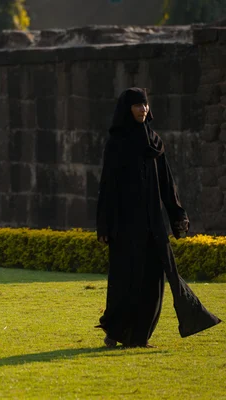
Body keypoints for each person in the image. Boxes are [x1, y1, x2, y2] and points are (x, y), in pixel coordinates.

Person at [96, 87, 221, 347]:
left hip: (152, 222)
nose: (143, 109)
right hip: (125, 225)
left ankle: (139, 337)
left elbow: (167, 182)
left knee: (155, 279)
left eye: (145, 105)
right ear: (127, 109)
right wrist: (106, 225)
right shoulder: (117, 143)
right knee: (126, 279)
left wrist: (177, 215)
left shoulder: (154, 142)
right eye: (137, 105)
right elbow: (107, 186)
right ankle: (115, 331)